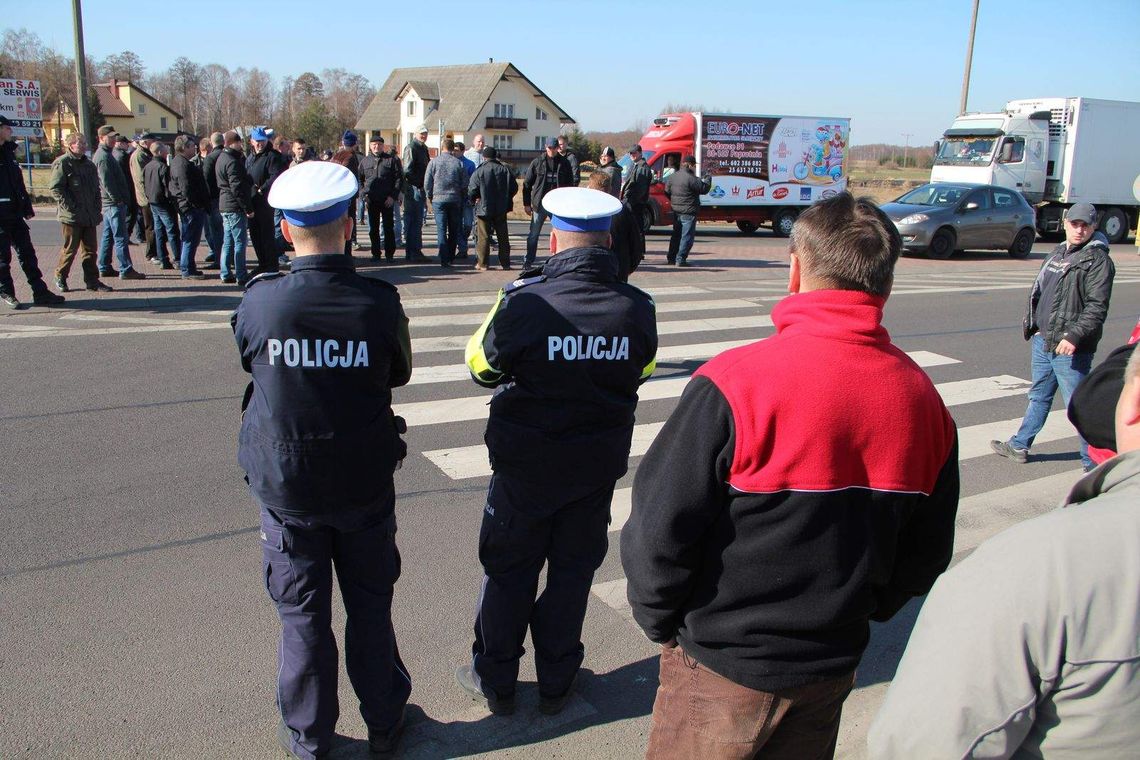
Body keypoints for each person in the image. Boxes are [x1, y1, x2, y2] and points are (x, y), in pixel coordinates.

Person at [621, 192, 960, 760]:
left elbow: (657, 532)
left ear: (796, 269)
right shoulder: (924, 401)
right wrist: (861, 613)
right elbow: (926, 554)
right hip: (831, 667)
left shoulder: (736, 382)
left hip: (722, 666)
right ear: (887, 284)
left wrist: (663, 624)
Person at [868, 347, 1140, 759]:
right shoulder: (918, 391)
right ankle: (1022, 438)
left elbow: (923, 746)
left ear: (1132, 403)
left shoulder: (1033, 568)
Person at [233, 160, 413, 760]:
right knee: (370, 608)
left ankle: (311, 737)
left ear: (286, 230)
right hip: (363, 485)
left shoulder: (261, 302)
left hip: (289, 490)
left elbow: (248, 361)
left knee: (303, 617)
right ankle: (385, 722)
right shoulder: (378, 303)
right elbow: (400, 373)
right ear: (351, 224)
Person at [457, 186, 658, 717]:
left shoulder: (524, 300)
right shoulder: (637, 308)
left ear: (553, 240)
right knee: (572, 575)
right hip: (593, 470)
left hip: (524, 469)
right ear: (609, 241)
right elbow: (642, 371)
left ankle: (496, 679)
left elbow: (481, 367)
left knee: (508, 573)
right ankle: (556, 682)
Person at [990, 202, 1115, 472]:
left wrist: (1074, 336)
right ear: (1066, 224)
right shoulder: (1058, 253)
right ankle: (1020, 444)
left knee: (1078, 407)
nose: (1079, 230)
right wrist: (1033, 324)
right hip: (1044, 340)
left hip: (1070, 347)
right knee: (1039, 396)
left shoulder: (1098, 261)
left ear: (1093, 227)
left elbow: (1097, 307)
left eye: (1085, 225)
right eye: (1075, 224)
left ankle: (1093, 463)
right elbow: (1041, 291)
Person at [0, 114, 65, 307]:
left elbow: (18, 184)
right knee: (3, 258)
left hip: (14, 214)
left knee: (28, 254)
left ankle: (40, 292)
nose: (11, 131)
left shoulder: (9, 152)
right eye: (7, 127)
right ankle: (7, 292)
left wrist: (26, 207)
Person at [50, 132, 112, 293]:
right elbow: (56, 189)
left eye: (85, 142)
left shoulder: (89, 165)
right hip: (72, 217)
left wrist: (97, 207)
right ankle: (60, 276)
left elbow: (96, 189)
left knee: (91, 250)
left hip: (89, 215)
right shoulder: (63, 163)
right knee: (70, 249)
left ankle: (92, 281)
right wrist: (71, 208)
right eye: (80, 143)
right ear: (71, 145)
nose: (84, 145)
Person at [92, 125, 144, 280]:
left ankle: (104, 266)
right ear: (101, 138)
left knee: (108, 236)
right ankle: (126, 268)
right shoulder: (103, 156)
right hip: (113, 204)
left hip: (111, 203)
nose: (114, 139)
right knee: (120, 237)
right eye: (110, 137)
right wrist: (118, 200)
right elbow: (106, 182)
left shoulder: (107, 154)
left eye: (114, 137)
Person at [522, 138, 574, 269]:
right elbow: (527, 184)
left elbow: (570, 185)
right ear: (545, 147)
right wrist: (526, 204)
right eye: (550, 148)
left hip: (558, 205)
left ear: (558, 148)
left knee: (561, 233)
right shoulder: (537, 162)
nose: (552, 150)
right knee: (533, 234)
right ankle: (528, 260)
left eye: (554, 148)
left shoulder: (564, 163)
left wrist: (567, 203)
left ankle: (560, 261)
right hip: (539, 204)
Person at [467, 145, 516, 271]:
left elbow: (472, 189)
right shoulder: (505, 170)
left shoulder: (480, 170)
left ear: (484, 157)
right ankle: (505, 263)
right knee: (503, 236)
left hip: (484, 207)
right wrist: (507, 198)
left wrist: (474, 200)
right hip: (501, 207)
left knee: (483, 236)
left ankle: (482, 263)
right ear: (495, 156)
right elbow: (514, 188)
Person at [586, 171, 642, 281]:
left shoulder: (583, 209)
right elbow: (635, 242)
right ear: (610, 188)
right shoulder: (622, 210)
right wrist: (629, 267)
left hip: (590, 270)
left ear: (589, 187)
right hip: (618, 269)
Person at [169, 134, 210, 279]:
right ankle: (187, 269)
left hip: (187, 206)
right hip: (190, 208)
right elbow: (186, 189)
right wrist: (196, 204)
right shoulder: (182, 164)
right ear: (185, 148)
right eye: (193, 146)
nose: (195, 148)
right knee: (190, 239)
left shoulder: (179, 162)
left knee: (190, 239)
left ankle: (189, 267)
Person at [215, 130, 252, 285]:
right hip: (234, 206)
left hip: (224, 204)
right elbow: (236, 187)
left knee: (228, 240)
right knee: (239, 242)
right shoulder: (232, 161)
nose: (241, 145)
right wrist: (247, 207)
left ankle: (225, 272)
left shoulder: (221, 158)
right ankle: (241, 274)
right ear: (232, 143)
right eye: (239, 142)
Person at [245, 126, 284, 275]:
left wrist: (262, 188)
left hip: (265, 202)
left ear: (267, 140)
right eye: (257, 141)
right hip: (252, 201)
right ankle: (262, 262)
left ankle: (271, 265)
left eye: (263, 141)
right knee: (255, 235)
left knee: (267, 234)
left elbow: (275, 175)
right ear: (252, 142)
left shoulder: (272, 156)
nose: (260, 144)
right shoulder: (250, 157)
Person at [358, 134, 402, 263]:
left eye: (379, 145)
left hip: (387, 200)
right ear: (370, 146)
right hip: (371, 200)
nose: (377, 147)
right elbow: (360, 181)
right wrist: (364, 196)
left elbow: (398, 179)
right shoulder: (365, 161)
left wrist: (393, 196)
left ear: (383, 146)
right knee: (373, 229)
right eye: (374, 145)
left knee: (389, 228)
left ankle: (389, 254)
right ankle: (376, 253)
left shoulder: (391, 160)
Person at [424, 137, 466, 268]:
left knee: (441, 229)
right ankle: (451, 256)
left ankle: (443, 257)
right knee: (453, 229)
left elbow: (427, 182)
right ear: (453, 148)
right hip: (454, 199)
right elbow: (465, 182)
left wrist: (429, 195)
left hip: (438, 199)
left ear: (442, 148)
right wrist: (461, 195)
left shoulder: (434, 162)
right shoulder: (458, 163)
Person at [663, 155, 710, 267]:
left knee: (676, 235)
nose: (694, 167)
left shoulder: (672, 177)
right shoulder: (691, 178)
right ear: (690, 165)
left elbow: (666, 191)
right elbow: (704, 189)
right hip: (688, 211)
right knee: (687, 237)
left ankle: (671, 258)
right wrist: (708, 178)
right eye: (694, 165)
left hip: (676, 210)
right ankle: (681, 259)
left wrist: (674, 201)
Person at [144, 142, 179, 269]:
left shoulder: (148, 166)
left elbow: (144, 183)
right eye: (165, 151)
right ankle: (178, 258)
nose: (167, 153)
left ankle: (163, 258)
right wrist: (172, 201)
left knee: (159, 231)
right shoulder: (162, 167)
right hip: (163, 203)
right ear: (159, 152)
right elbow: (168, 187)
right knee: (172, 231)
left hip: (153, 202)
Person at [401, 125, 431, 261]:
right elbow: (407, 170)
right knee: (413, 220)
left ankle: (415, 251)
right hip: (413, 188)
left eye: (425, 133)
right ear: (415, 134)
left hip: (420, 187)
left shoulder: (423, 148)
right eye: (421, 133)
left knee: (417, 221)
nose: (424, 136)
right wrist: (418, 185)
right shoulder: (411, 147)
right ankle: (413, 252)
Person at [129, 132, 158, 264]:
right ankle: (151, 253)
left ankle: (154, 251)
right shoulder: (139, 156)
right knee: (150, 226)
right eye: (152, 141)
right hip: (146, 197)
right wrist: (149, 195)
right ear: (145, 142)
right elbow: (141, 179)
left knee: (153, 226)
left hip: (149, 195)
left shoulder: (146, 154)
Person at [201, 132, 226, 269]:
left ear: (211, 143)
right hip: (227, 198)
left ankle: (218, 259)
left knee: (216, 231)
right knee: (226, 231)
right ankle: (229, 257)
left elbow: (205, 180)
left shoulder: (210, 158)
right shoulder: (228, 156)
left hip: (214, 199)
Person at [334, 131, 362, 253]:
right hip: (347, 196)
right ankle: (346, 253)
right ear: (354, 144)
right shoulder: (350, 157)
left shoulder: (336, 156)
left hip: (337, 195)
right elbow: (351, 178)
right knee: (348, 225)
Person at [620, 144, 654, 227]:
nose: (632, 155)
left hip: (636, 205)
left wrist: (630, 203)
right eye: (630, 153)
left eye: (634, 153)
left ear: (640, 153)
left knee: (637, 230)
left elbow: (640, 190)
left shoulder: (642, 168)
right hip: (634, 204)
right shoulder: (637, 166)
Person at [453, 141, 475, 259]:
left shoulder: (469, 164)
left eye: (457, 150)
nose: (455, 152)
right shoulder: (451, 163)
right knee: (457, 225)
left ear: (462, 151)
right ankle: (462, 248)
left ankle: (463, 240)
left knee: (468, 224)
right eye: (454, 150)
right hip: (455, 198)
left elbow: (473, 182)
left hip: (466, 199)